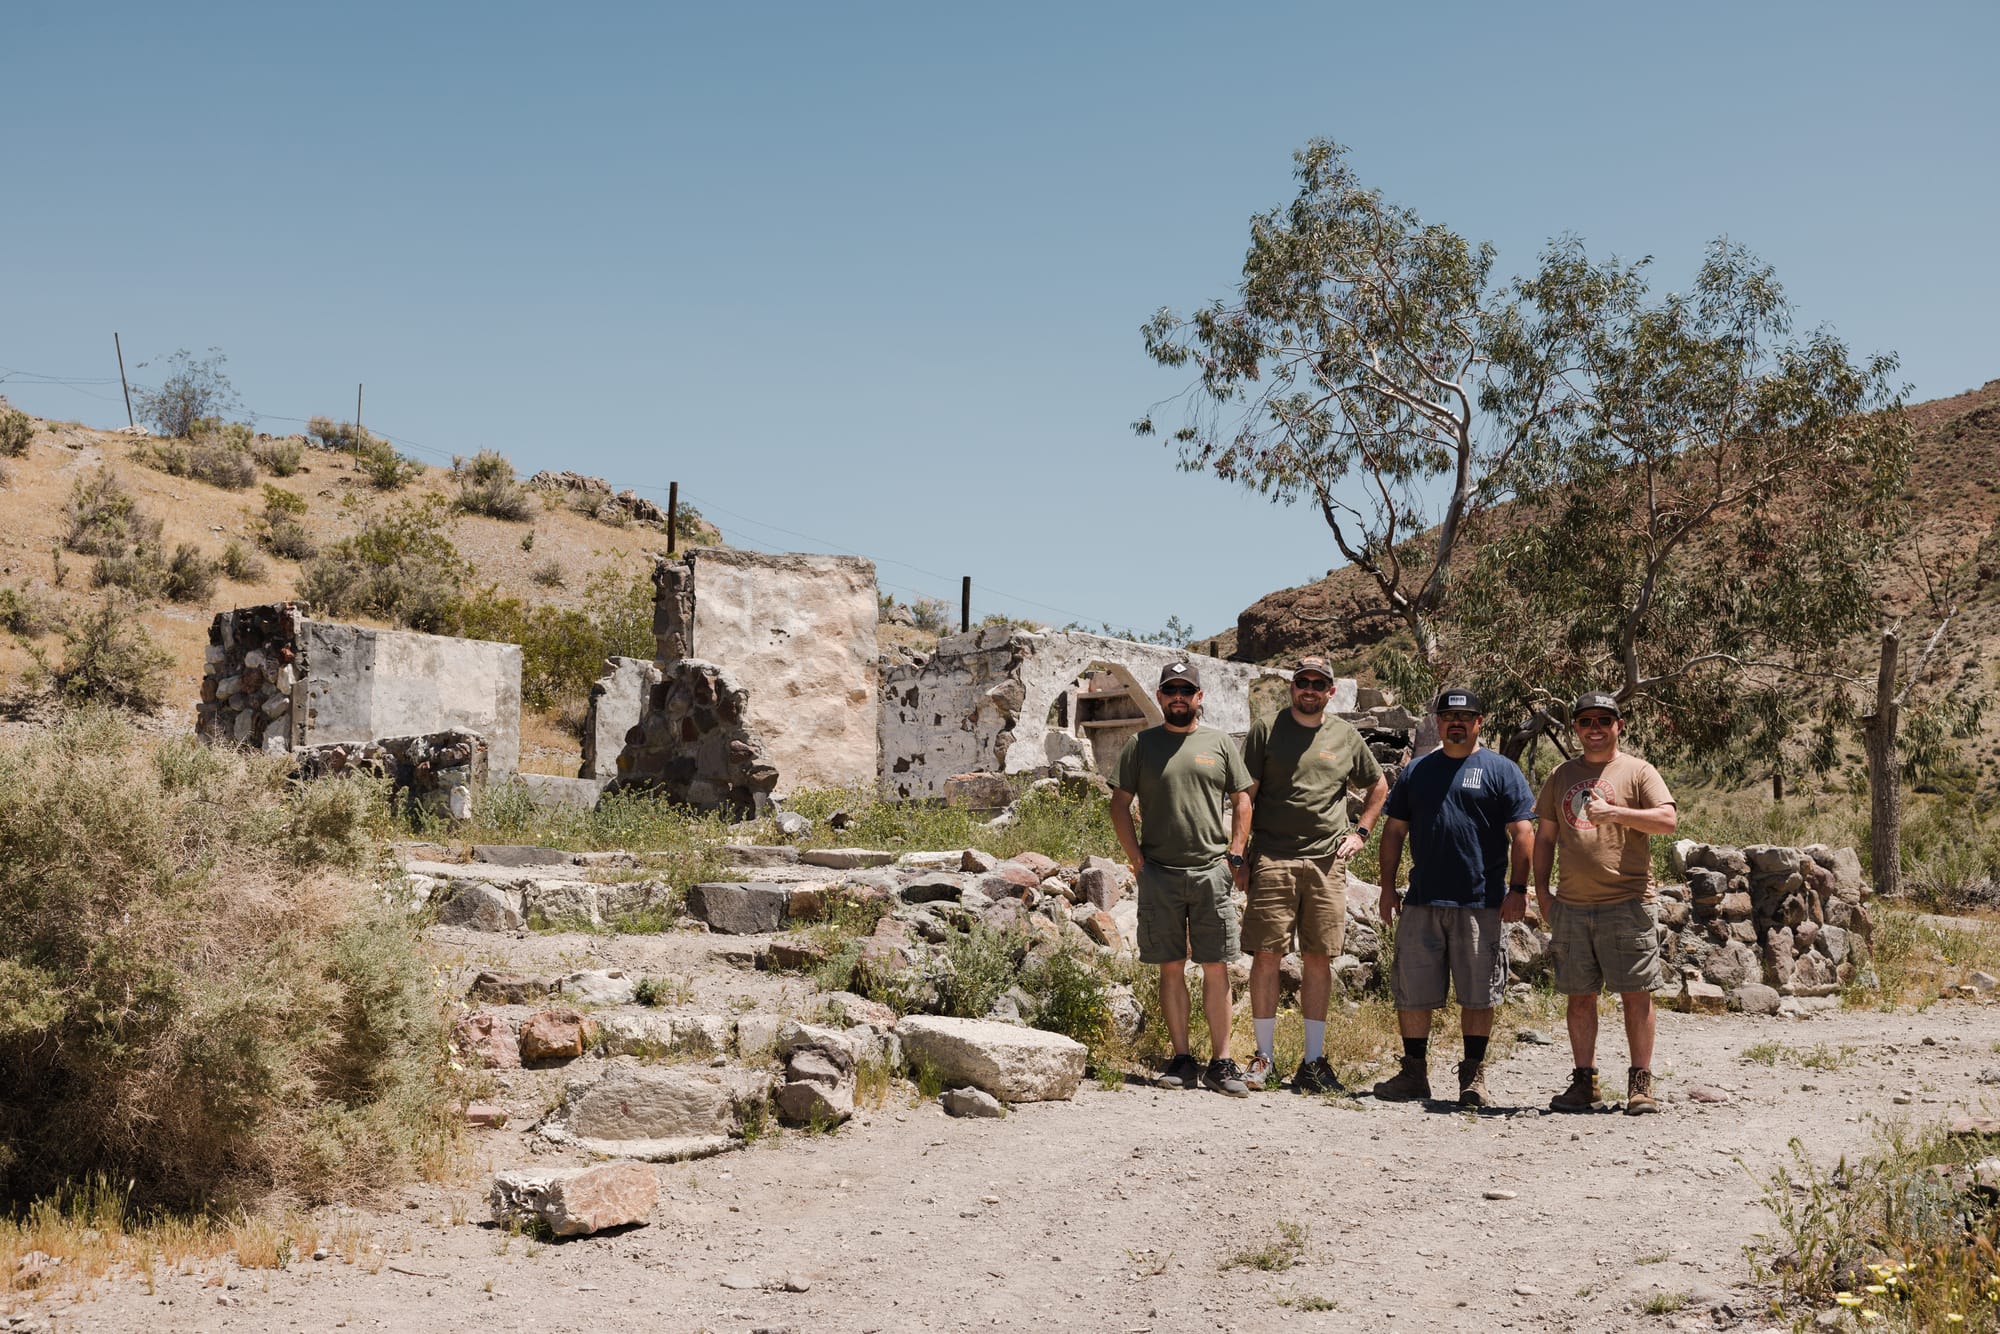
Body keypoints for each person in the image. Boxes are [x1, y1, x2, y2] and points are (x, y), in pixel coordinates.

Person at [1369, 689, 1535, 1107]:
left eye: (1465, 716)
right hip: (1423, 900)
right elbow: (1393, 833)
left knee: (1479, 995)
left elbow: (1523, 833)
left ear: (1481, 721)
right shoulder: (1417, 770)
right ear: (1438, 722)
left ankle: (1473, 1077)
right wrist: (1387, 888)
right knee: (1413, 991)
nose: (1456, 722)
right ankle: (1413, 1074)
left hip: (1480, 903)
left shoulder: (1501, 770)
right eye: (1448, 716)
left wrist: (1517, 890)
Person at [1239, 655, 1388, 1092]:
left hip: (1326, 863)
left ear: (1330, 691)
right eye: (1302, 681)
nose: (1309, 689)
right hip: (1272, 858)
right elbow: (1246, 794)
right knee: (1266, 956)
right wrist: (1241, 854)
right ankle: (1263, 1058)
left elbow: (1377, 786)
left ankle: (1313, 1062)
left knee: (1318, 957)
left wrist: (1360, 832)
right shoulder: (1266, 730)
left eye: (1317, 683)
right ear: (1292, 687)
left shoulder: (1344, 735)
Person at [1111, 661, 1255, 1097]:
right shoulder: (1140, 745)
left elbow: (1243, 800)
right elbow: (1119, 805)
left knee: (1217, 967)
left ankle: (1222, 1063)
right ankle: (1181, 1059)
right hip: (1160, 874)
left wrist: (1234, 855)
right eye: (1170, 690)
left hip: (1212, 872)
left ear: (1199, 697)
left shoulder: (1220, 744)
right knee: (1170, 968)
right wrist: (1136, 861)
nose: (1178, 697)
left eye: (1186, 690)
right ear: (1159, 696)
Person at [1533, 692, 1679, 1115]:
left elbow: (1668, 820)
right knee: (1579, 997)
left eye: (1603, 720)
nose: (1594, 728)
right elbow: (1544, 837)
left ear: (1618, 726)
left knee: (1636, 994)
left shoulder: (1638, 771)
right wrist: (1541, 893)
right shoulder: (1561, 775)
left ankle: (1640, 1085)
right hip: (1572, 905)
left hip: (1627, 902)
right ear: (1575, 729)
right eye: (1585, 721)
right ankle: (1585, 1083)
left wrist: (1616, 813)